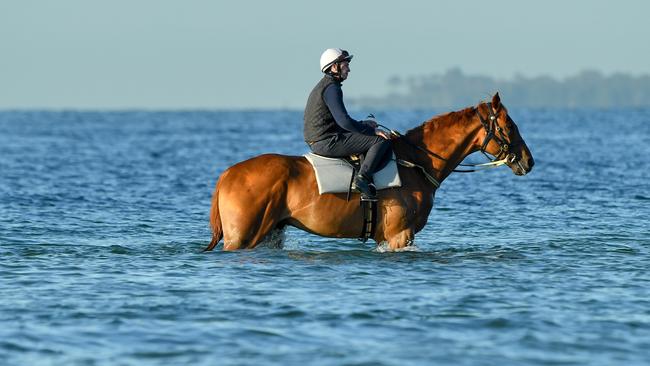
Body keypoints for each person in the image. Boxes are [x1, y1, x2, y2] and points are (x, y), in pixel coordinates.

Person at [303, 48, 391, 199]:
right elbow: (344, 121)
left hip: (322, 138)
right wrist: (372, 132)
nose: (349, 69)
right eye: (345, 65)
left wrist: (363, 124)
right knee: (380, 141)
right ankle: (362, 180)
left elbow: (340, 122)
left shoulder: (327, 86)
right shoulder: (331, 88)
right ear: (334, 66)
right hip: (326, 142)